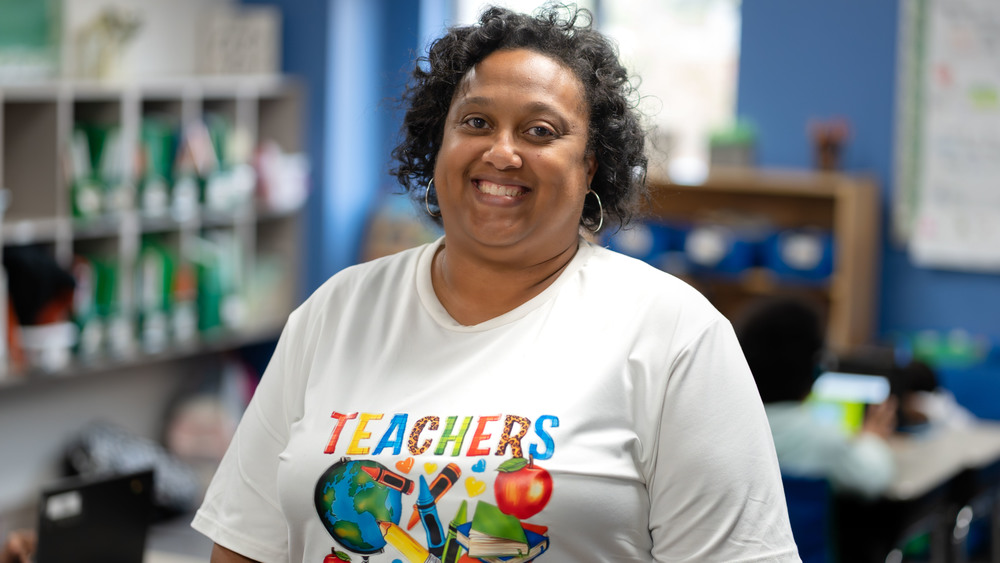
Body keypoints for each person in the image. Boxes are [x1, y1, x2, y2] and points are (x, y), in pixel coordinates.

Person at [192, 5, 798, 562]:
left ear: (592, 164)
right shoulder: (336, 311)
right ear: (439, 145)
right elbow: (244, 543)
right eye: (476, 122)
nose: (502, 153)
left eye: (541, 131)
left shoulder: (673, 335)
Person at [735, 296, 896, 499]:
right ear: (815, 368)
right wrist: (873, 438)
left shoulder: (729, 429)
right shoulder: (821, 440)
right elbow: (874, 477)